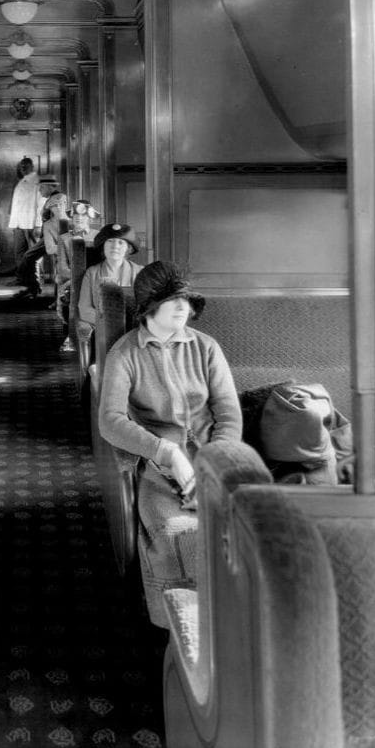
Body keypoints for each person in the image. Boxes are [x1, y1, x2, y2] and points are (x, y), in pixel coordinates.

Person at [98, 261, 242, 616]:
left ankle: (241, 622)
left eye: (186, 300)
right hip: (159, 469)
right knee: (179, 535)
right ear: (149, 306)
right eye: (172, 300)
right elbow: (110, 421)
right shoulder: (125, 353)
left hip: (218, 456)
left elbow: (228, 412)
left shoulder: (206, 347)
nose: (182, 307)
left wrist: (215, 462)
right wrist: (168, 453)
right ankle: (186, 627)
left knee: (246, 530)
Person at [76, 222, 143, 340]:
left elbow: (146, 307)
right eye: (110, 241)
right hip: (102, 332)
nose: (115, 246)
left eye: (121, 242)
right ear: (103, 246)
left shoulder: (140, 272)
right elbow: (84, 309)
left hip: (134, 333)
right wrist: (110, 323)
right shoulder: (92, 273)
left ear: (128, 248)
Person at [13, 174, 68, 299]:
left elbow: (60, 219)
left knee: (28, 257)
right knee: (30, 258)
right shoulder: (53, 198)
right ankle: (33, 288)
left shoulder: (57, 198)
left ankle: (33, 288)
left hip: (52, 237)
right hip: (49, 237)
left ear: (49, 186)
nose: (39, 190)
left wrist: (54, 237)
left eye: (42, 187)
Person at [56, 199, 101, 351]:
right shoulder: (64, 239)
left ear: (89, 218)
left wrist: (90, 280)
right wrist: (77, 280)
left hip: (94, 280)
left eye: (83, 216)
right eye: (75, 216)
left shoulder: (98, 237)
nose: (79, 218)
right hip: (71, 281)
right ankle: (71, 336)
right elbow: (62, 269)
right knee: (69, 295)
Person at [7, 157, 42, 273]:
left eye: (26, 166)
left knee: (33, 253)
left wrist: (38, 225)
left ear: (32, 167)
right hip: (18, 225)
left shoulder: (37, 182)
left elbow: (41, 205)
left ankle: (35, 279)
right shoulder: (21, 182)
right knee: (19, 253)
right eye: (21, 166)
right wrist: (13, 222)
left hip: (30, 224)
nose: (23, 168)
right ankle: (21, 278)